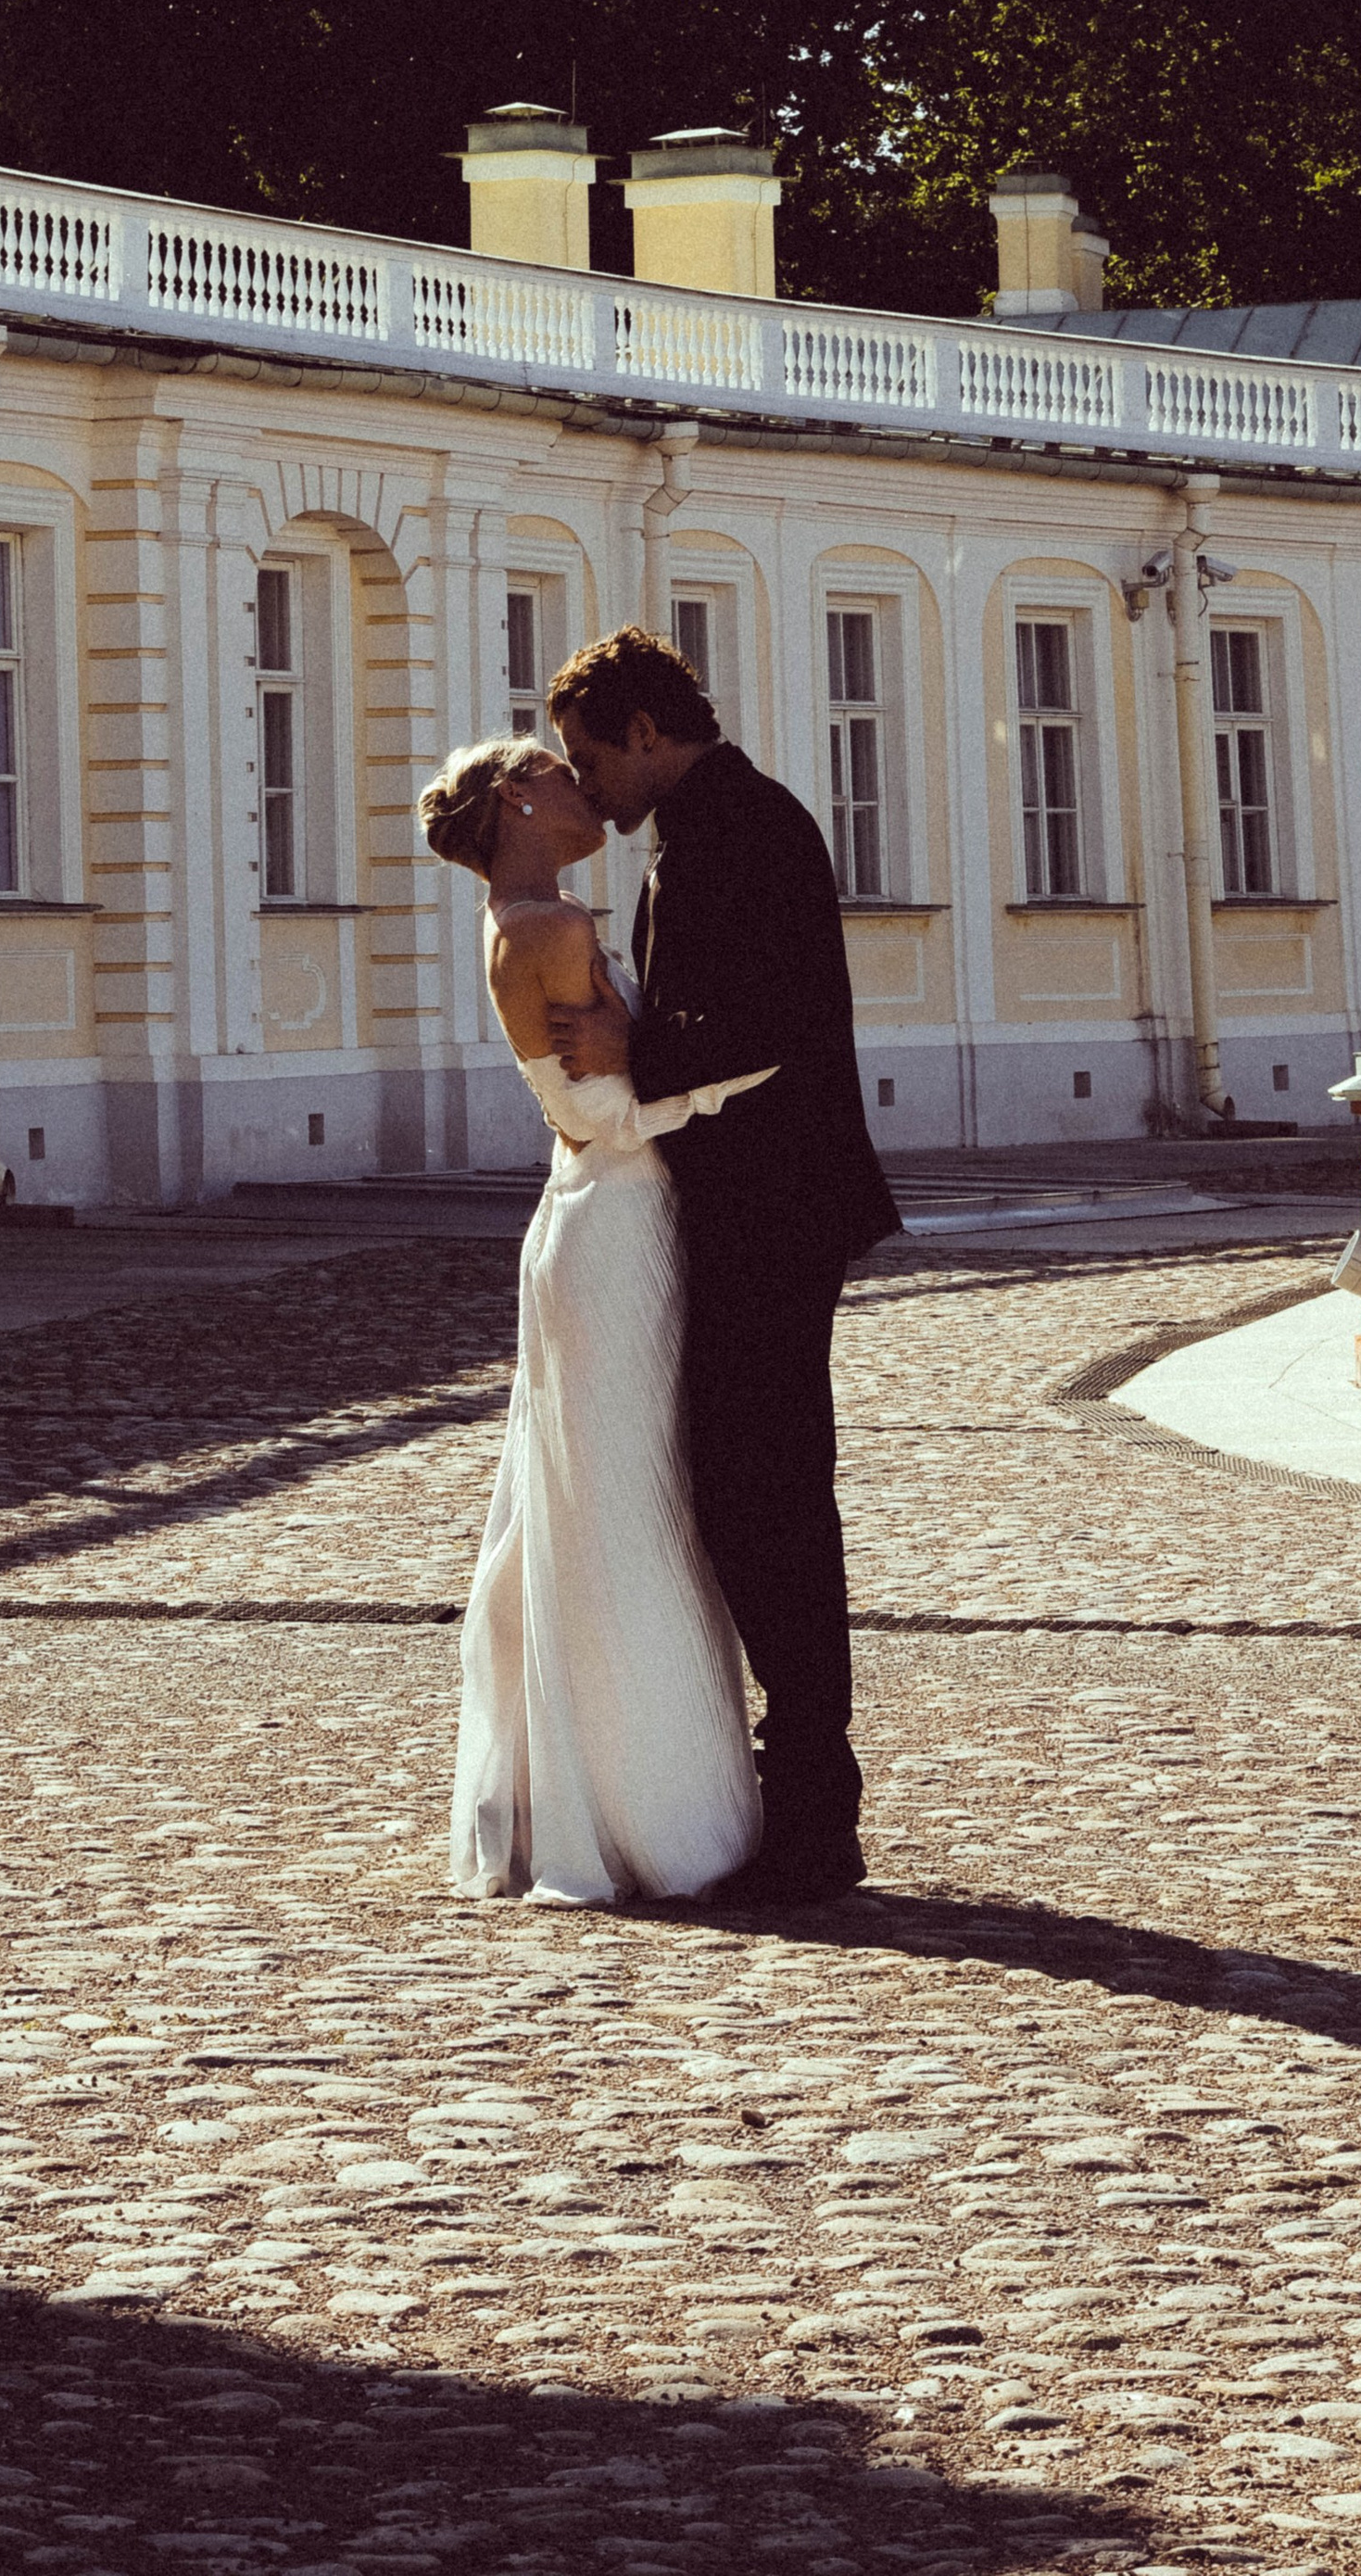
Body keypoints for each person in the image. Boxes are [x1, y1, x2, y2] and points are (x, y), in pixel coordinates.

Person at [546, 625, 898, 1905]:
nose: (583, 787)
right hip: (753, 1202)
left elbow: (760, 1027)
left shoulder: (742, 828)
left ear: (648, 730)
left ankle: (815, 1802)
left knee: (771, 1499)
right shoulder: (706, 829)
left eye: (591, 759)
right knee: (749, 1493)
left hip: (777, 1204)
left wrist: (624, 1044)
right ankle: (796, 1786)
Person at [418, 732, 775, 1904]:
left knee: (596, 1504)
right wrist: (752, 1067)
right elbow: (602, 1118)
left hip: (594, 1222)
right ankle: (652, 1813)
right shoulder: (550, 930)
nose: (586, 789)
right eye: (561, 773)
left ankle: (606, 1789)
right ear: (522, 796)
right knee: (626, 1506)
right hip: (615, 1225)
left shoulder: (534, 918)